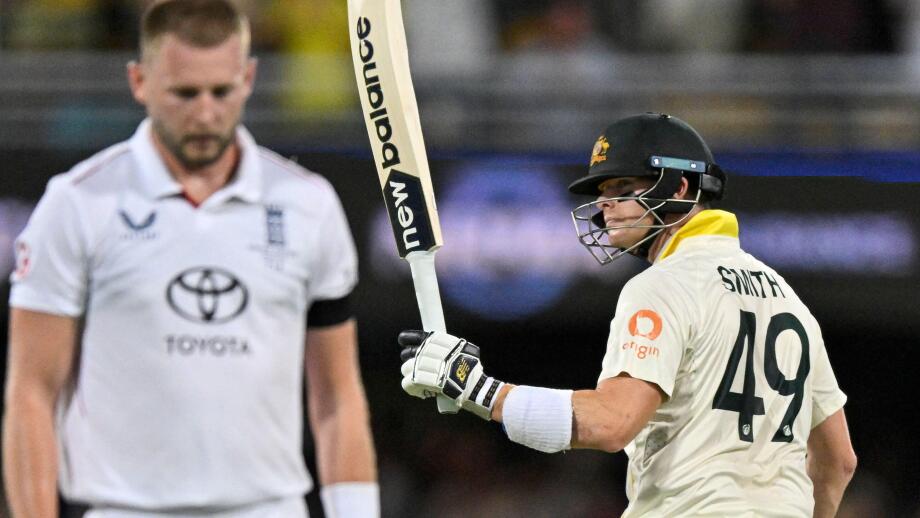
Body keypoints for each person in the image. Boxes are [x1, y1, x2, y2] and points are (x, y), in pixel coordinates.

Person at [2, 1, 378, 517]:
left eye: (221, 91)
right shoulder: (78, 203)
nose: (205, 114)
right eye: (184, 93)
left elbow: (337, 397)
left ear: (249, 79)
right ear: (139, 82)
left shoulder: (308, 204)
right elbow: (31, 393)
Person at [397, 113, 857, 517]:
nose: (605, 205)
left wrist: (474, 388)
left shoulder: (663, 285)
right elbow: (839, 462)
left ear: (680, 187)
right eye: (603, 192)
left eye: (623, 188)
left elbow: (610, 423)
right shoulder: (788, 299)